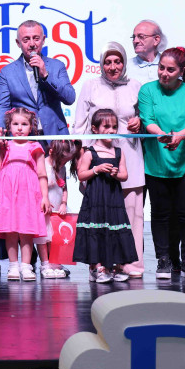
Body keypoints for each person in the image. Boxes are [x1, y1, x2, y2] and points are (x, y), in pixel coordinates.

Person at [72, 42, 145, 277]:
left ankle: (130, 264)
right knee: (100, 215)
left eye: (117, 61)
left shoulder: (135, 86)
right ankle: (101, 264)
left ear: (124, 62)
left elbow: (145, 116)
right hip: (98, 158)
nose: (113, 67)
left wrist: (140, 121)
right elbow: (80, 123)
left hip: (129, 155)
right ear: (101, 64)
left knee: (132, 213)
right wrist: (82, 156)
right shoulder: (91, 86)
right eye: (107, 62)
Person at [139, 47, 185, 281]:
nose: (164, 73)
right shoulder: (147, 90)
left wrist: (180, 136)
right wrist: (162, 135)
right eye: (161, 68)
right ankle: (164, 260)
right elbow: (147, 119)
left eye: (170, 70)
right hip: (157, 160)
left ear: (182, 71)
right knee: (160, 213)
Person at [74, 109, 137, 283]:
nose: (111, 130)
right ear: (95, 129)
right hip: (95, 199)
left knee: (113, 230)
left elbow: (124, 175)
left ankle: (112, 266)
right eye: (106, 126)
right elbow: (81, 175)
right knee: (96, 231)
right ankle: (96, 267)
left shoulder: (118, 152)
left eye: (114, 127)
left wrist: (116, 174)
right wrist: (96, 169)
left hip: (113, 198)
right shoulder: (90, 152)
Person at [0, 108, 49, 281]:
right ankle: (13, 266)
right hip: (7, 193)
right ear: (9, 126)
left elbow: (42, 173)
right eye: (15, 124)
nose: (20, 128)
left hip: (28, 194)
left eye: (24, 124)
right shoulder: (4, 146)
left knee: (26, 231)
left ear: (31, 127)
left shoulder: (35, 146)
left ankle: (26, 266)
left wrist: (45, 196)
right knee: (11, 230)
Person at [0, 20, 75, 137]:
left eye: (36, 38)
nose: (32, 44)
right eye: (26, 40)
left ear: (43, 39)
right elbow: (3, 106)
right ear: (18, 43)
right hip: (23, 138)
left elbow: (70, 98)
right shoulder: (7, 72)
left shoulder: (57, 66)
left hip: (55, 136)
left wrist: (46, 75)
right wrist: (1, 129)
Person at [39, 139, 80, 278]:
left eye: (67, 161)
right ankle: (45, 263)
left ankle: (55, 263)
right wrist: (43, 199)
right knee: (43, 237)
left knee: (55, 237)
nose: (64, 163)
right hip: (44, 207)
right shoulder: (43, 165)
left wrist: (63, 203)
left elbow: (64, 188)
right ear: (52, 152)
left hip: (57, 207)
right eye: (63, 160)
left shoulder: (62, 168)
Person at [127, 20, 167, 85]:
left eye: (141, 37)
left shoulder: (169, 65)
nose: (135, 41)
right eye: (134, 37)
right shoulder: (126, 67)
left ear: (156, 40)